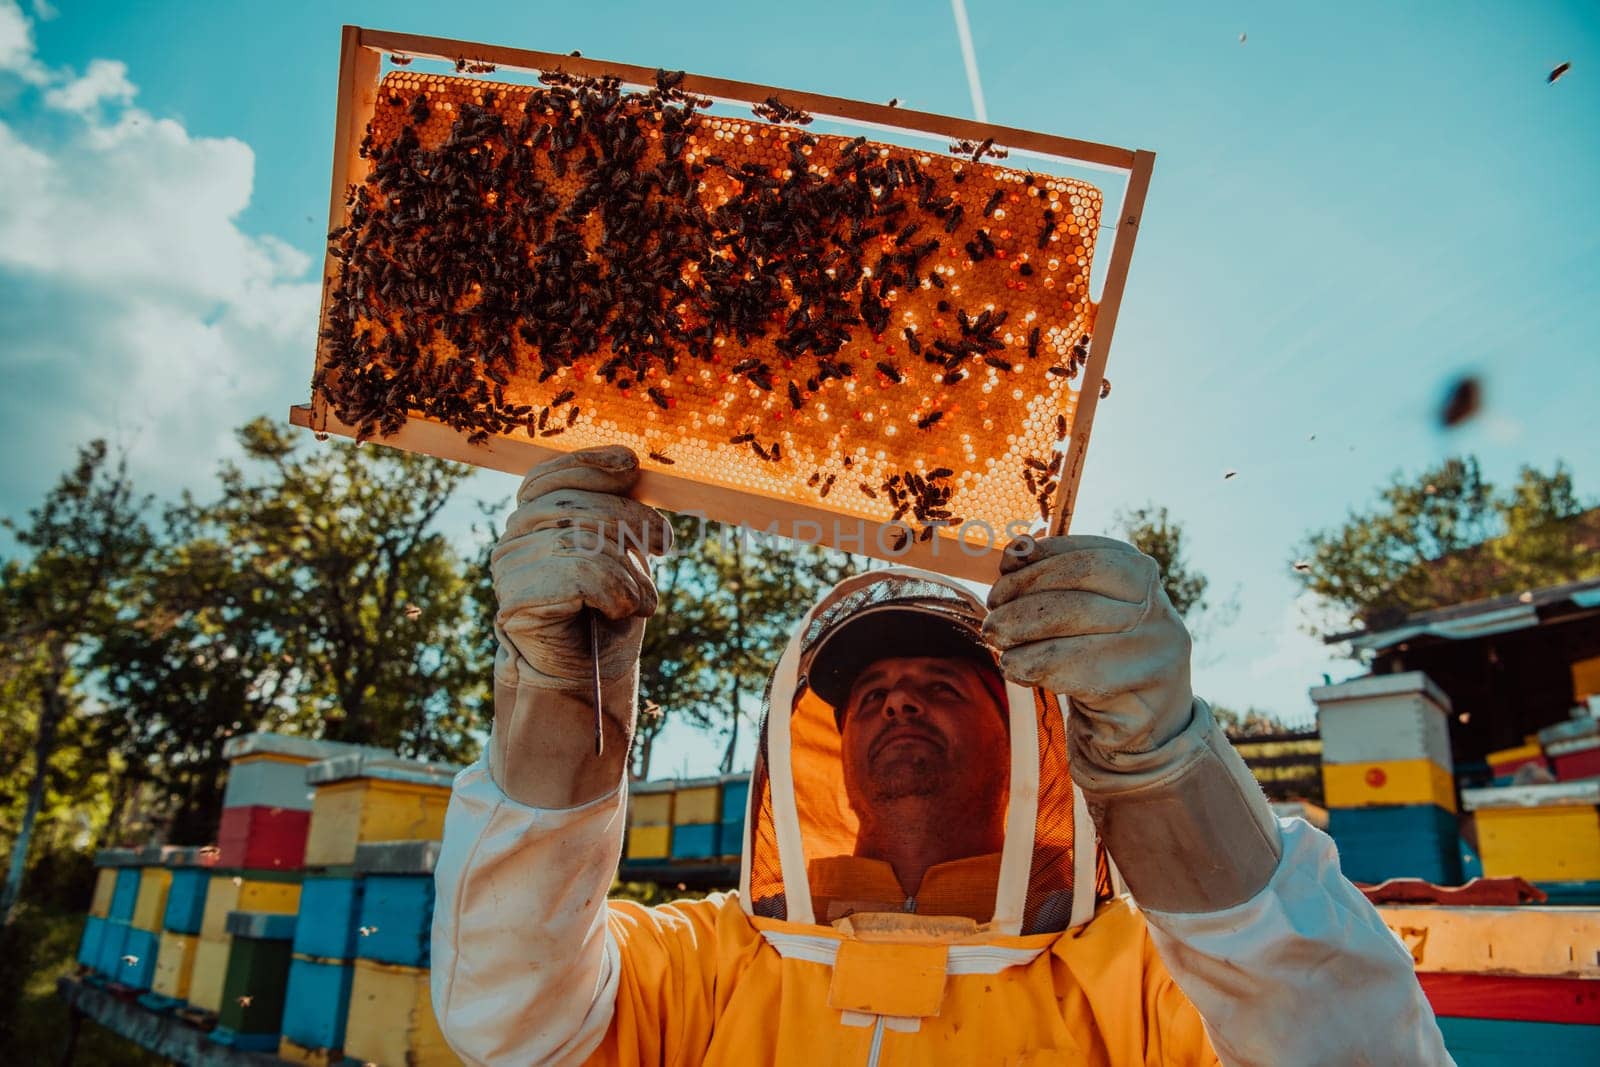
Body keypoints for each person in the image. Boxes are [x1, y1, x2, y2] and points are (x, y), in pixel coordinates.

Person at [432, 445, 1453, 1066]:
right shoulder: (707, 960)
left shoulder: (1140, 977)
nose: (898, 702)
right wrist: (560, 709)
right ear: (822, 755)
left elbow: (1347, 1043)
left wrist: (1167, 761)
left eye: (941, 684)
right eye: (870, 694)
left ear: (1027, 742)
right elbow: (510, 1019)